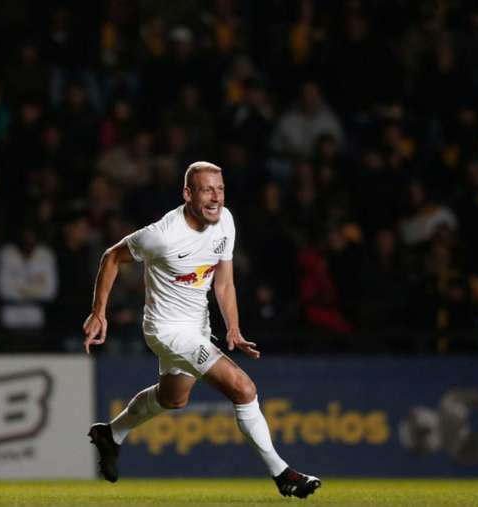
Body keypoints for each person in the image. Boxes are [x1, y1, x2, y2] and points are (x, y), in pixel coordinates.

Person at [83, 161, 321, 498]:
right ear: (188, 193)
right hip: (166, 329)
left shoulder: (225, 221)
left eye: (220, 189)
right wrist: (98, 313)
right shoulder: (162, 235)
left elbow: (223, 283)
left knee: (172, 398)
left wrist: (233, 328)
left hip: (198, 326)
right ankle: (283, 473)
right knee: (244, 388)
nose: (216, 197)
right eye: (207, 189)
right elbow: (111, 257)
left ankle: (112, 433)